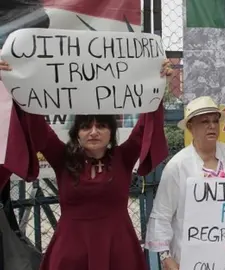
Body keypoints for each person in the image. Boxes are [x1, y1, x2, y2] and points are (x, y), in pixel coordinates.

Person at [0, 59, 172, 270]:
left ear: (111, 132)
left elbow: (147, 122)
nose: (93, 132)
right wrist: (11, 82)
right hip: (71, 252)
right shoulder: (62, 157)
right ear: (76, 134)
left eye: (101, 125)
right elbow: (34, 123)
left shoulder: (124, 156)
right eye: (85, 126)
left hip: (118, 249)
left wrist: (159, 84)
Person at [144, 96, 225, 270]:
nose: (212, 126)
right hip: (191, 259)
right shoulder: (177, 166)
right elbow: (162, 216)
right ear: (191, 127)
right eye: (205, 121)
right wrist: (166, 258)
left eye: (215, 121)